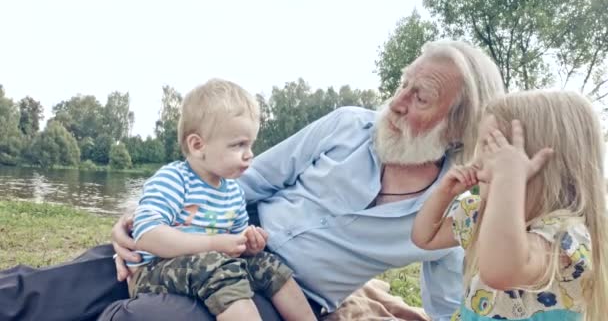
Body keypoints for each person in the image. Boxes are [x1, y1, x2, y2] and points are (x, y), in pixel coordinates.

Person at [0, 40, 505, 321]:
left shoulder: (452, 213)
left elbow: (450, 307)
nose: (396, 101)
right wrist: (154, 220)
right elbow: (247, 180)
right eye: (403, 84)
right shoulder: (347, 125)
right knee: (62, 286)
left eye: (421, 97)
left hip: (287, 295)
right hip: (224, 233)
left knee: (157, 319)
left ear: (458, 124)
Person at [124, 79, 315, 321]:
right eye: (239, 145)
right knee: (215, 266)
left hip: (208, 263)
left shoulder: (233, 191)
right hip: (151, 272)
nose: (250, 154)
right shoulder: (174, 179)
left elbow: (236, 240)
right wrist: (214, 243)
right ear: (197, 145)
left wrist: (249, 243)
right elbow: (147, 235)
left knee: (268, 264)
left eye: (251, 144)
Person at [411, 90, 608, 321]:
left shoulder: (566, 233)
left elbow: (501, 271)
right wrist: (444, 193)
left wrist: (508, 178)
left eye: (489, 148)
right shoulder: (480, 216)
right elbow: (424, 237)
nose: (478, 161)